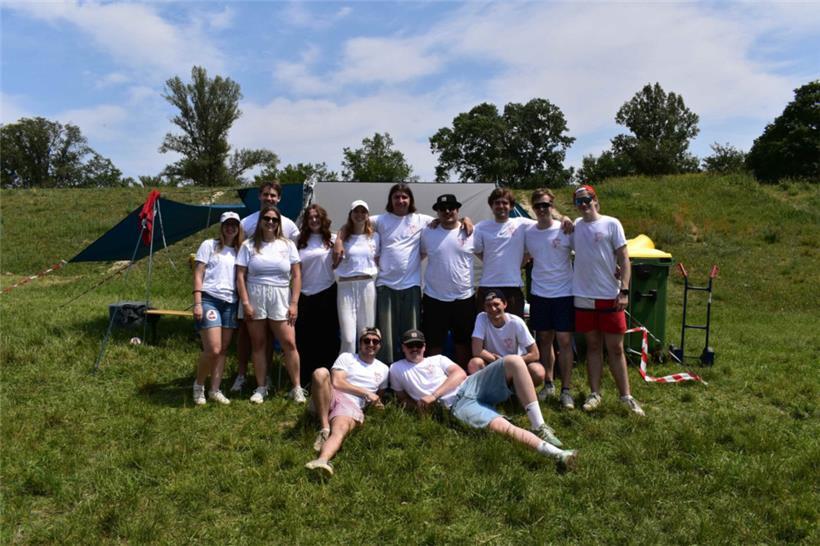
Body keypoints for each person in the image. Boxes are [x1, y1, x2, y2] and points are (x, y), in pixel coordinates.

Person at [390, 329, 576, 467]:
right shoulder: (396, 368)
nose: (415, 349)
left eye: (418, 345)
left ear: (424, 347)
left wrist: (433, 395)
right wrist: (422, 408)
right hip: (457, 405)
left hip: (470, 384)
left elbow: (459, 374)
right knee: (503, 427)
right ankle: (558, 454)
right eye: (410, 345)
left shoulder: (437, 358)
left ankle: (539, 425)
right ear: (403, 348)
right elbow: (402, 398)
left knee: (513, 360)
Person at [572, 185, 645, 416]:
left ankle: (626, 396)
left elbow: (624, 258)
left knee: (615, 348)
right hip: (583, 296)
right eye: (579, 201)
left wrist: (624, 290)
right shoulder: (575, 226)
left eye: (587, 199)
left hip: (609, 296)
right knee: (593, 346)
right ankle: (595, 393)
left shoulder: (612, 223)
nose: (584, 204)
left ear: (595, 200)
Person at [232, 180, 300, 392]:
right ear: (259, 196)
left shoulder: (289, 226)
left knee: (281, 339)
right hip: (252, 288)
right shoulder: (246, 223)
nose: (269, 198)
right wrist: (244, 299)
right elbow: (238, 255)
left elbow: (297, 257)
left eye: (273, 195)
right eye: (266, 194)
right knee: (248, 336)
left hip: (279, 291)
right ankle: (243, 375)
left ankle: (273, 379)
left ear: (279, 198)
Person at [305, 327, 388, 477]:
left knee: (340, 429)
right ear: (360, 343)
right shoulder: (347, 357)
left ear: (380, 345)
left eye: (375, 341)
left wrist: (376, 404)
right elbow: (337, 382)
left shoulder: (383, 369)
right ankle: (324, 427)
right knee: (320, 373)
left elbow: (378, 396)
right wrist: (366, 393)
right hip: (330, 394)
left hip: (352, 405)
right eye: (366, 341)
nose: (371, 344)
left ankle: (322, 460)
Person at [524, 189, 576, 407]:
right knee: (544, 340)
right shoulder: (528, 231)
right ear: (533, 208)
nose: (542, 209)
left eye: (546, 205)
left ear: (552, 206)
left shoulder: (565, 229)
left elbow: (586, 251)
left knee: (564, 341)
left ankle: (567, 390)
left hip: (564, 293)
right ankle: (548, 383)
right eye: (538, 206)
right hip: (539, 294)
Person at [191, 212, 243, 405]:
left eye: (234, 225)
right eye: (227, 224)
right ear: (221, 226)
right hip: (210, 299)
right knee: (213, 348)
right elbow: (198, 274)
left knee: (223, 350)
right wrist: (197, 302)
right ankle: (199, 385)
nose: (230, 228)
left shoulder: (239, 250)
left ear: (238, 228)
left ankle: (215, 389)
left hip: (230, 302)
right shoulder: (209, 245)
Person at [419, 194, 476, 368]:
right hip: (434, 297)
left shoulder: (472, 232)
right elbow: (418, 255)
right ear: (437, 212)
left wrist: (467, 220)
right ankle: (433, 377)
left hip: (464, 297)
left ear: (458, 210)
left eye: (451, 208)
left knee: (463, 342)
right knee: (433, 343)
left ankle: (464, 378)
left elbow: (487, 255)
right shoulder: (427, 232)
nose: (447, 211)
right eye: (442, 209)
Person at [295, 204, 340, 387]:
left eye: (317, 217)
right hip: (304, 295)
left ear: (323, 219)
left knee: (327, 338)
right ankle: (306, 380)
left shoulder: (333, 239)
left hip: (327, 293)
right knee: (304, 338)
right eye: (310, 217)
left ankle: (326, 380)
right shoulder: (298, 240)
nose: (314, 220)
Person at [468, 291, 544, 388]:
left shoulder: (516, 322)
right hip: (492, 363)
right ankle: (489, 391)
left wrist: (510, 362)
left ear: (505, 304)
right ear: (484, 308)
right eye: (488, 305)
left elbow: (535, 354)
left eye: (496, 304)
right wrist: (497, 361)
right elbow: (476, 350)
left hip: (515, 365)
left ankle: (515, 390)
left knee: (538, 371)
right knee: (474, 363)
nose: (493, 309)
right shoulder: (481, 318)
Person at [335, 200, 380, 354]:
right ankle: (344, 367)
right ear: (351, 214)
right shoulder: (342, 237)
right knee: (348, 338)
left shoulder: (375, 237)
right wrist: (339, 238)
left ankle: (365, 366)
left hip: (366, 285)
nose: (359, 215)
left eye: (363, 212)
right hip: (345, 287)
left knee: (366, 334)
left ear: (368, 215)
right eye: (356, 211)